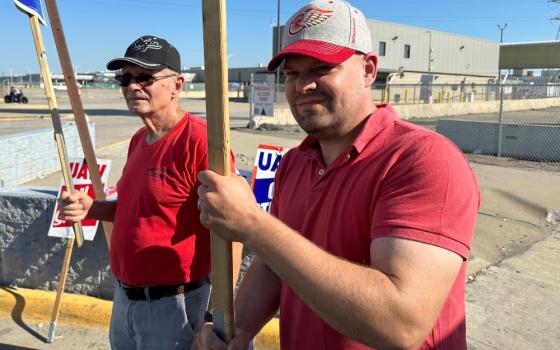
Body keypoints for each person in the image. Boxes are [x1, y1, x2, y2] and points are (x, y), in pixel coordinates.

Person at [193, 1, 479, 349]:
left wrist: (252, 225)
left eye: (322, 68)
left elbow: (400, 324)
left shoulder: (423, 159)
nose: (302, 86)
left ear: (368, 70)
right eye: (293, 73)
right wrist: (236, 332)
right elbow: (272, 266)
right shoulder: (296, 163)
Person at [58, 35, 241, 350]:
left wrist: (216, 317)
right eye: (125, 78)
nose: (132, 86)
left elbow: (234, 230)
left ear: (177, 85)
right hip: (125, 302)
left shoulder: (201, 143)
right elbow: (139, 208)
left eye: (144, 77)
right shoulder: (138, 140)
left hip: (176, 310)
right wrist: (94, 208)